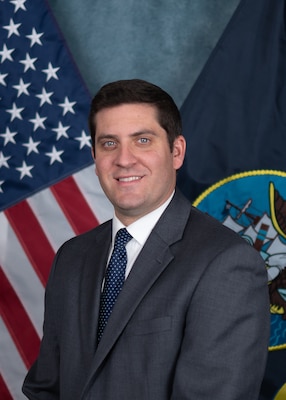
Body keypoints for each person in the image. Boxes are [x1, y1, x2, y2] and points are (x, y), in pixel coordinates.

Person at [22, 79, 269, 399]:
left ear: (176, 151)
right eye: (109, 143)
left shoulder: (225, 263)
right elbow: (46, 388)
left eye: (142, 140)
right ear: (94, 157)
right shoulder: (72, 257)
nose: (124, 159)